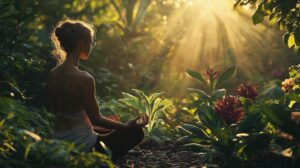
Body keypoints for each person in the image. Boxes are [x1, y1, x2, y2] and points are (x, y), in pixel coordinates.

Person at [46, 19, 148, 160]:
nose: (91, 46)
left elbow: (66, 115)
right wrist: (126, 126)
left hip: (58, 143)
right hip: (84, 146)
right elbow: (95, 119)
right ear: (81, 43)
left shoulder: (53, 74)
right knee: (136, 132)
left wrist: (108, 126)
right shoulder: (84, 78)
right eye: (90, 42)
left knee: (110, 129)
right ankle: (98, 161)